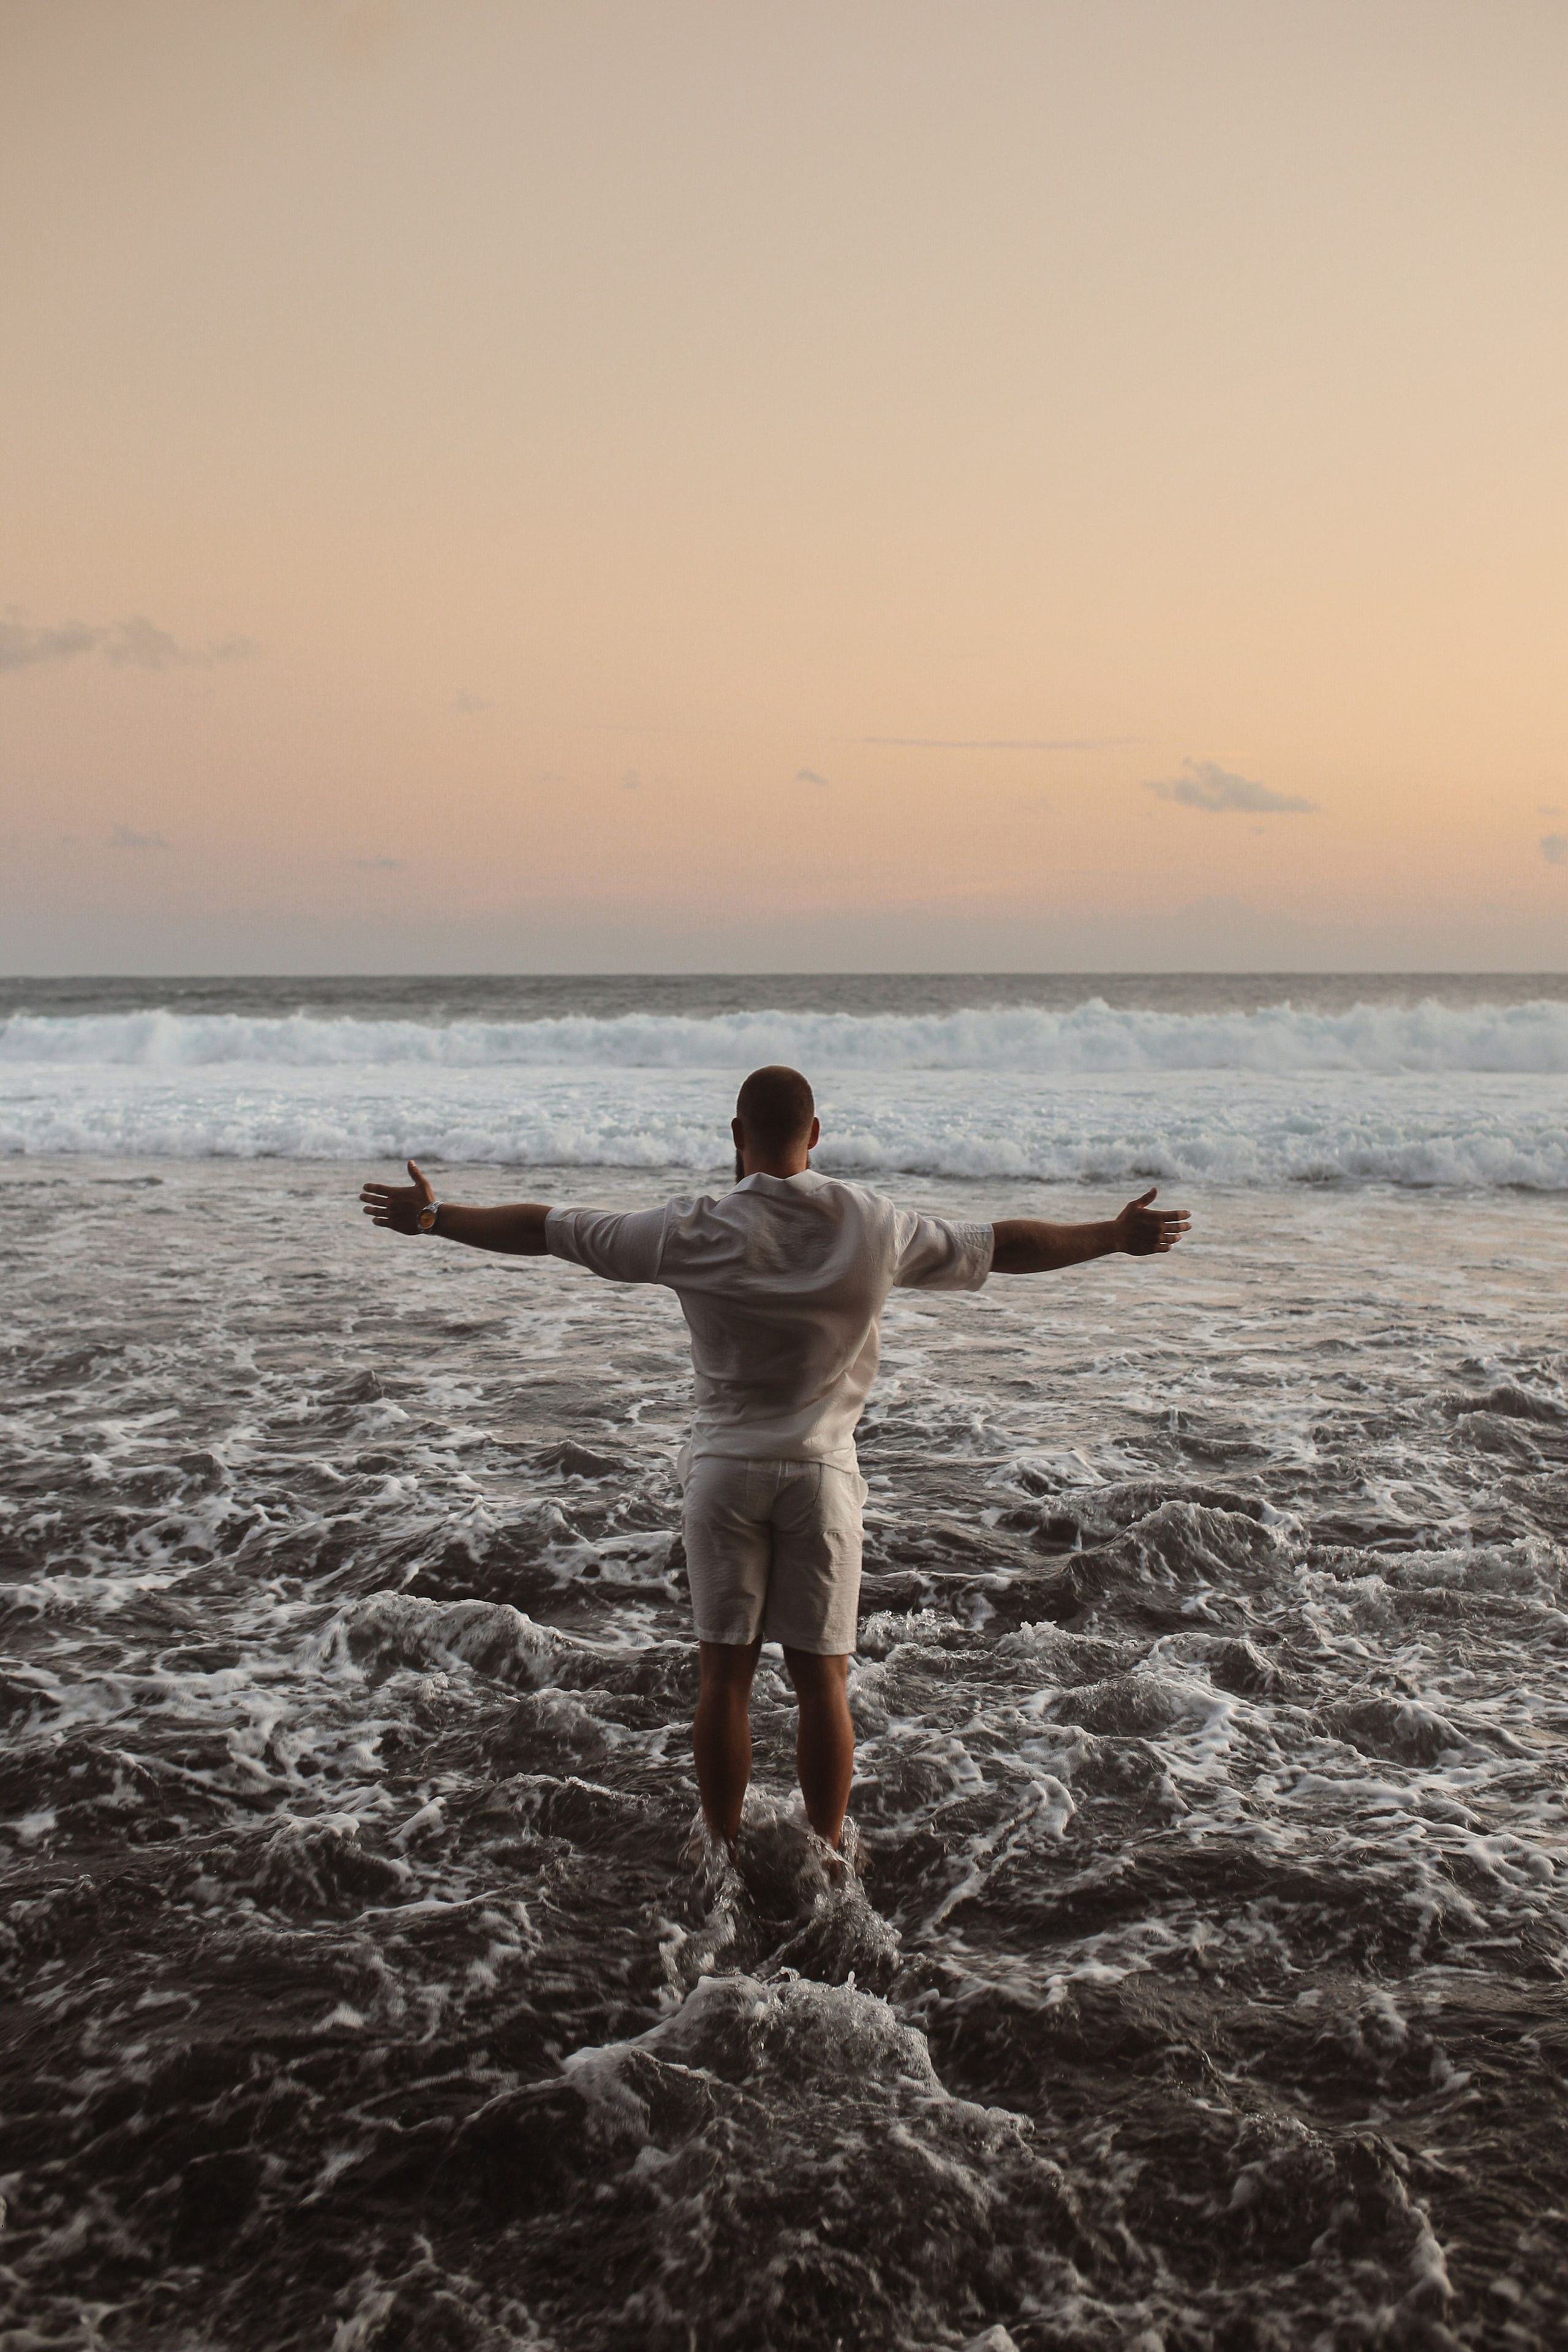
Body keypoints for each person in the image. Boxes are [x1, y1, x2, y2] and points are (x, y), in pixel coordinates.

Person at [360, 1065, 1188, 1857]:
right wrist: (1113, 1236)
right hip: (823, 1477)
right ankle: (826, 1854)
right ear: (815, 1133)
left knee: (724, 1680)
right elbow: (1003, 1244)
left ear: (736, 1135)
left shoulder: (690, 1229)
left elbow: (549, 1230)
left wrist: (435, 1217)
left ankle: (722, 1850)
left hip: (724, 1474)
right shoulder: (875, 1224)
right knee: (822, 1685)